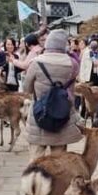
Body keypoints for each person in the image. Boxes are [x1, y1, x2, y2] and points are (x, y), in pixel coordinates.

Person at [23, 29, 82, 160]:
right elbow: (71, 92)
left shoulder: (36, 62)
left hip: (39, 114)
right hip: (62, 115)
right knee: (58, 161)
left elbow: (26, 89)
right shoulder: (73, 64)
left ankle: (36, 180)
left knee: (36, 160)